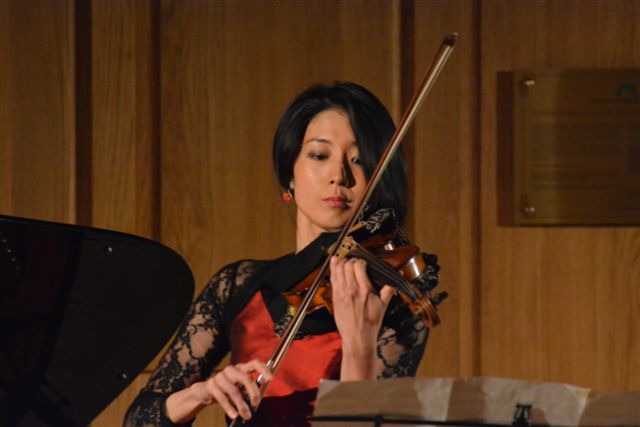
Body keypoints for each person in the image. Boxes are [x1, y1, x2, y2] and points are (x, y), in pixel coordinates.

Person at [124, 82, 440, 427]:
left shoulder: (391, 300)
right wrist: (201, 393)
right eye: (320, 156)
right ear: (290, 173)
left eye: (359, 160)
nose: (339, 176)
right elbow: (138, 420)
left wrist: (359, 346)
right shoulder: (237, 285)